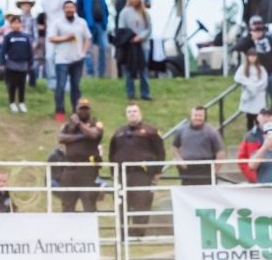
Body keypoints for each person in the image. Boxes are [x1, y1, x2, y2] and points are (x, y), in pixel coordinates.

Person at [108, 104, 165, 237]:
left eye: (134, 111)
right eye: (129, 112)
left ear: (140, 113)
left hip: (141, 174)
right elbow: (112, 154)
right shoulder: (118, 133)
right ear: (126, 114)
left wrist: (157, 171)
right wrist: (113, 174)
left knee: (141, 202)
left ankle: (138, 234)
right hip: (122, 174)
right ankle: (122, 233)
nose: (132, 114)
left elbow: (160, 152)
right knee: (121, 203)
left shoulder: (151, 131)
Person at [232, 16, 272, 124]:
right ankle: (260, 124)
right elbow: (237, 47)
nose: (258, 29)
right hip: (258, 75)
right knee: (260, 103)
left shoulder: (269, 39)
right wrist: (250, 38)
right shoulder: (248, 41)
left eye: (260, 26)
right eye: (255, 27)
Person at [57, 98, 103, 212]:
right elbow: (60, 138)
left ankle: (89, 229)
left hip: (88, 169)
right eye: (81, 108)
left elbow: (93, 135)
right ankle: (68, 230)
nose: (83, 111)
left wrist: (79, 124)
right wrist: (80, 137)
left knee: (89, 203)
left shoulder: (96, 123)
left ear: (89, 110)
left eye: (86, 109)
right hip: (70, 169)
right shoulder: (68, 125)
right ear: (76, 109)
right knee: (67, 204)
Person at [49, 1, 91, 123]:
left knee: (76, 86)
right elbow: (51, 38)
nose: (69, 9)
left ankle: (76, 111)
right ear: (63, 9)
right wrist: (65, 38)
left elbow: (87, 38)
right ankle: (59, 111)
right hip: (62, 59)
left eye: (71, 7)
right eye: (67, 7)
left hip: (77, 59)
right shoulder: (57, 22)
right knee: (60, 86)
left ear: (75, 9)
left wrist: (83, 52)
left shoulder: (81, 22)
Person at [172, 106, 226, 186]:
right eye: (195, 115)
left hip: (205, 170)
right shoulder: (181, 130)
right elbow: (174, 147)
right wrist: (179, 160)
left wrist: (215, 170)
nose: (197, 118)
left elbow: (220, 152)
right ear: (191, 116)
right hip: (187, 170)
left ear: (204, 116)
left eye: (200, 115)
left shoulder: (212, 132)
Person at [116, 0, 151, 101]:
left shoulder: (145, 13)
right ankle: (130, 93)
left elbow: (149, 29)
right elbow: (121, 29)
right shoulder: (124, 12)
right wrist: (130, 37)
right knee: (129, 70)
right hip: (129, 46)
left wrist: (140, 37)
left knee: (143, 69)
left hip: (143, 45)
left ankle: (145, 93)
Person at [237, 109, 272, 183]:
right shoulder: (250, 137)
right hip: (258, 177)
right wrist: (253, 178)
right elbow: (243, 160)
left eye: (269, 115)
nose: (266, 118)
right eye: (264, 115)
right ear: (258, 117)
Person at [75, 0, 109, 78]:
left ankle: (101, 74)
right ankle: (90, 73)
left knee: (104, 48)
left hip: (101, 26)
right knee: (88, 50)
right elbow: (78, 8)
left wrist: (105, 21)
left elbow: (106, 10)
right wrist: (84, 21)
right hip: (88, 26)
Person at [0, 15, 33, 114]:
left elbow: (29, 51)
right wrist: (3, 63)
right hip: (11, 64)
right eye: (14, 23)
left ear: (21, 24)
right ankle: (12, 102)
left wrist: (30, 62)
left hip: (23, 64)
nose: (16, 25)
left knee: (22, 85)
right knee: (12, 85)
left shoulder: (25, 37)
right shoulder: (8, 37)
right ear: (11, 25)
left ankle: (21, 102)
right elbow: (3, 51)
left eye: (18, 23)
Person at [38, 0, 67, 90]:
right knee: (49, 56)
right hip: (51, 31)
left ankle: (65, 82)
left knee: (63, 57)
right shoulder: (43, 1)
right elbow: (47, 16)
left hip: (62, 29)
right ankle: (52, 83)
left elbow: (69, 9)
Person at [234, 48, 268, 130]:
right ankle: (250, 138)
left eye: (254, 56)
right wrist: (249, 85)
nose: (252, 58)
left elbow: (264, 81)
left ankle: (259, 136)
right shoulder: (243, 68)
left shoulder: (261, 68)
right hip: (249, 96)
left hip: (259, 96)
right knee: (249, 118)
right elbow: (238, 78)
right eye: (250, 56)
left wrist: (256, 87)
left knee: (258, 118)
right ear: (247, 57)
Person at [15, 0, 37, 88]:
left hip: (30, 44)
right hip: (19, 44)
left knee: (31, 64)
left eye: (27, 5)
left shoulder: (33, 19)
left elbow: (36, 34)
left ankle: (32, 84)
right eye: (23, 5)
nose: (25, 7)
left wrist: (34, 45)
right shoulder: (17, 19)